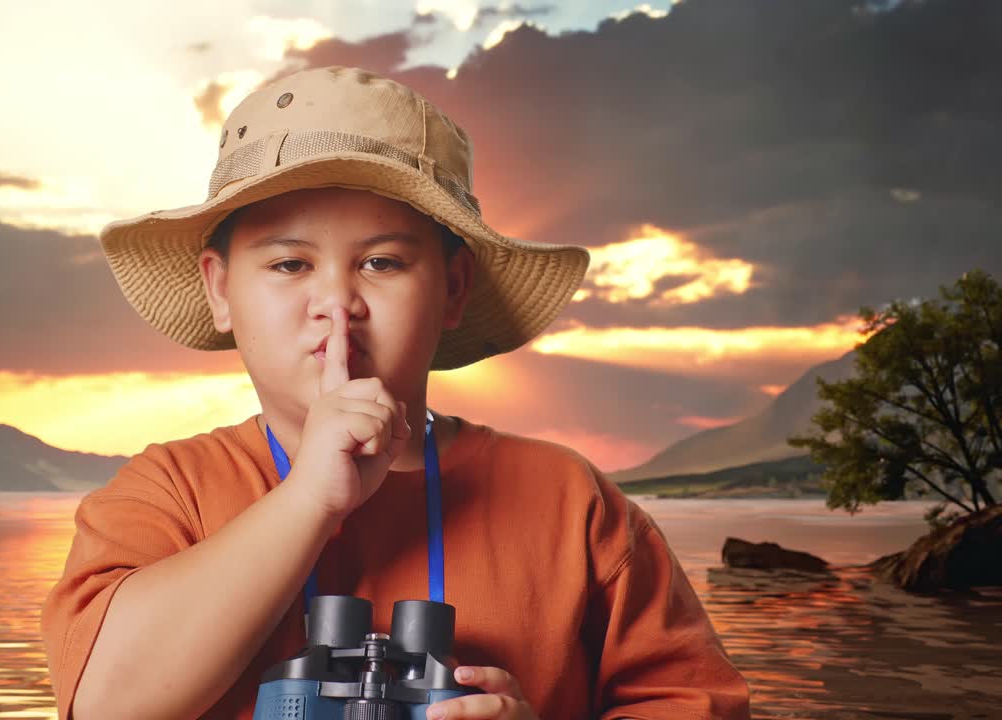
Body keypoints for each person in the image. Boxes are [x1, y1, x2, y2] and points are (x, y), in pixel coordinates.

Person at [40, 65, 751, 720]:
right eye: (289, 264)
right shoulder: (167, 493)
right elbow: (105, 704)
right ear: (220, 290)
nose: (337, 304)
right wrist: (308, 499)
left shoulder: (572, 504)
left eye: (382, 262)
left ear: (454, 289)